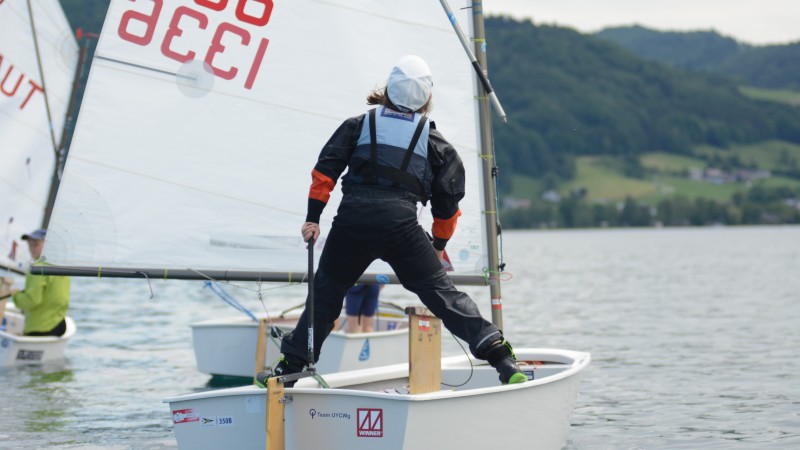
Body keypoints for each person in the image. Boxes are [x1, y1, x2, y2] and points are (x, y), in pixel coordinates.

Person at [260, 55, 525, 386]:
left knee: (326, 293)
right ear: (427, 98)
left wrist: (313, 218)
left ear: (387, 90)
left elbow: (324, 173)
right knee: (442, 295)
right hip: (401, 226)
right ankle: (502, 359)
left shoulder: (357, 125)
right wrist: (438, 245)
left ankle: (289, 369)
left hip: (353, 222)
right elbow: (448, 206)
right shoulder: (435, 142)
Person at [9, 228, 70, 336]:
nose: (32, 248)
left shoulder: (36, 268)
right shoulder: (61, 265)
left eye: (36, 244)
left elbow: (32, 300)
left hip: (40, 328)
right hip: (59, 325)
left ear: (48, 245)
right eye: (30, 245)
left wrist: (16, 295)